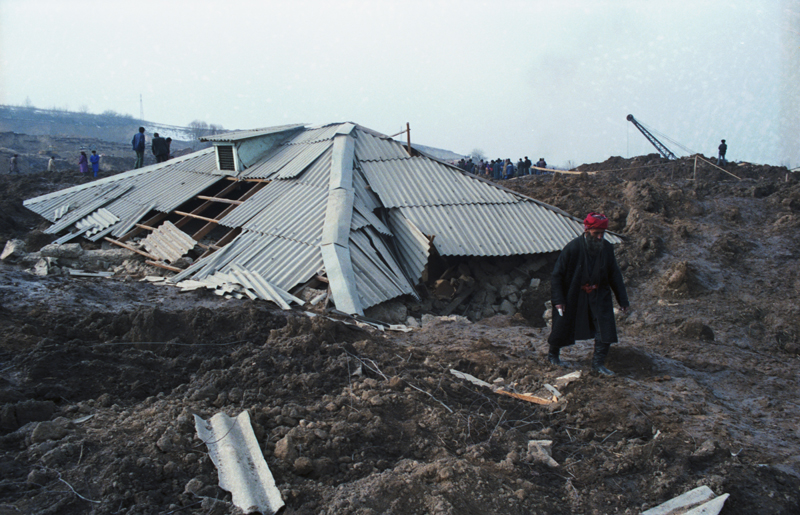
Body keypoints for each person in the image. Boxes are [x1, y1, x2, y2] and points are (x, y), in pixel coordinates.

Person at [548, 212, 630, 376]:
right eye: (596, 233)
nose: (600, 237)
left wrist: (623, 300)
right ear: (587, 231)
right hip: (574, 294)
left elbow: (614, 274)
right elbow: (557, 275)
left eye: (602, 233)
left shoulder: (606, 248)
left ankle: (598, 364)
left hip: (599, 293)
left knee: (605, 327)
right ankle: (553, 355)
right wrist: (559, 300)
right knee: (562, 325)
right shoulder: (573, 248)